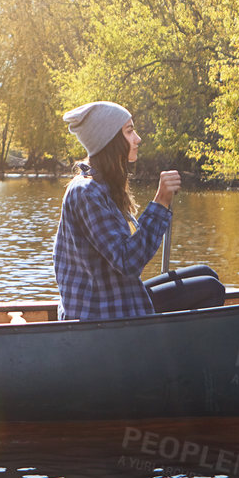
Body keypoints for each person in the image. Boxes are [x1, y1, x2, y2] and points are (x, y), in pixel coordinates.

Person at [52, 100, 187, 320]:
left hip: (118, 298)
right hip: (100, 314)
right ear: (111, 140)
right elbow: (127, 261)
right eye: (130, 131)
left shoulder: (104, 186)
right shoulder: (86, 192)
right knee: (209, 288)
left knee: (205, 275)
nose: (138, 139)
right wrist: (160, 202)